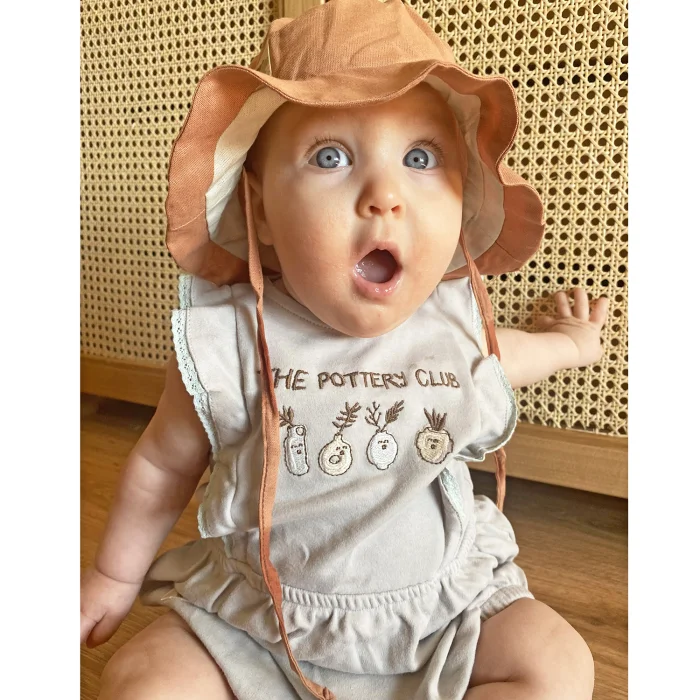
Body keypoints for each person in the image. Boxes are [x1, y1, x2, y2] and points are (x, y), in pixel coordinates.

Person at [80, 1, 607, 698]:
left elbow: (506, 358)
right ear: (260, 210)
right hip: (263, 621)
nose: (384, 196)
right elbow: (161, 463)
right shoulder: (231, 342)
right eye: (331, 156)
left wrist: (570, 343)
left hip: (438, 612)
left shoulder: (455, 329)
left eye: (420, 158)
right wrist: (113, 575)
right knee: (143, 682)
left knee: (558, 663)